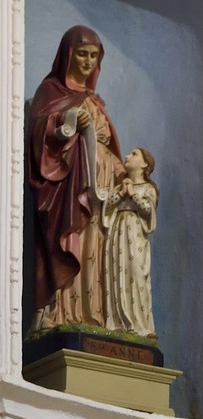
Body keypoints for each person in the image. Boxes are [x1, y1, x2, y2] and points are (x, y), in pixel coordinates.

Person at [27, 25, 124, 329]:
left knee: (95, 249)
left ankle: (92, 313)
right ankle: (60, 312)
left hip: (100, 188)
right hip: (68, 192)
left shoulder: (95, 101)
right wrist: (64, 120)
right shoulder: (51, 92)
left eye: (93, 56)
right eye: (81, 54)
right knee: (72, 244)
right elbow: (40, 136)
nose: (87, 61)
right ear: (68, 55)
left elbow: (108, 144)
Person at [103, 148, 158, 339]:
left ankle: (142, 326)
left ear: (144, 164)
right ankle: (116, 321)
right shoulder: (120, 187)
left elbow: (148, 211)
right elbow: (107, 205)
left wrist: (133, 194)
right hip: (117, 231)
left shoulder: (147, 188)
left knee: (136, 274)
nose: (127, 156)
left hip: (136, 234)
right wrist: (121, 193)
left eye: (134, 154)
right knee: (117, 273)